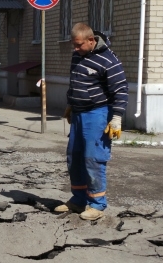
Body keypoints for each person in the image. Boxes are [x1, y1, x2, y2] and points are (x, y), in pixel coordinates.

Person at [54, 23, 128, 220]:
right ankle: (78, 200)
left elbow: (120, 90)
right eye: (74, 45)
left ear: (91, 40)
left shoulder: (109, 60)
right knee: (75, 156)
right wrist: (70, 103)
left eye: (79, 45)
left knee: (93, 158)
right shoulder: (78, 55)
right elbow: (75, 81)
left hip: (98, 113)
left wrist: (117, 118)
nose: (75, 50)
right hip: (78, 113)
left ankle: (97, 203)